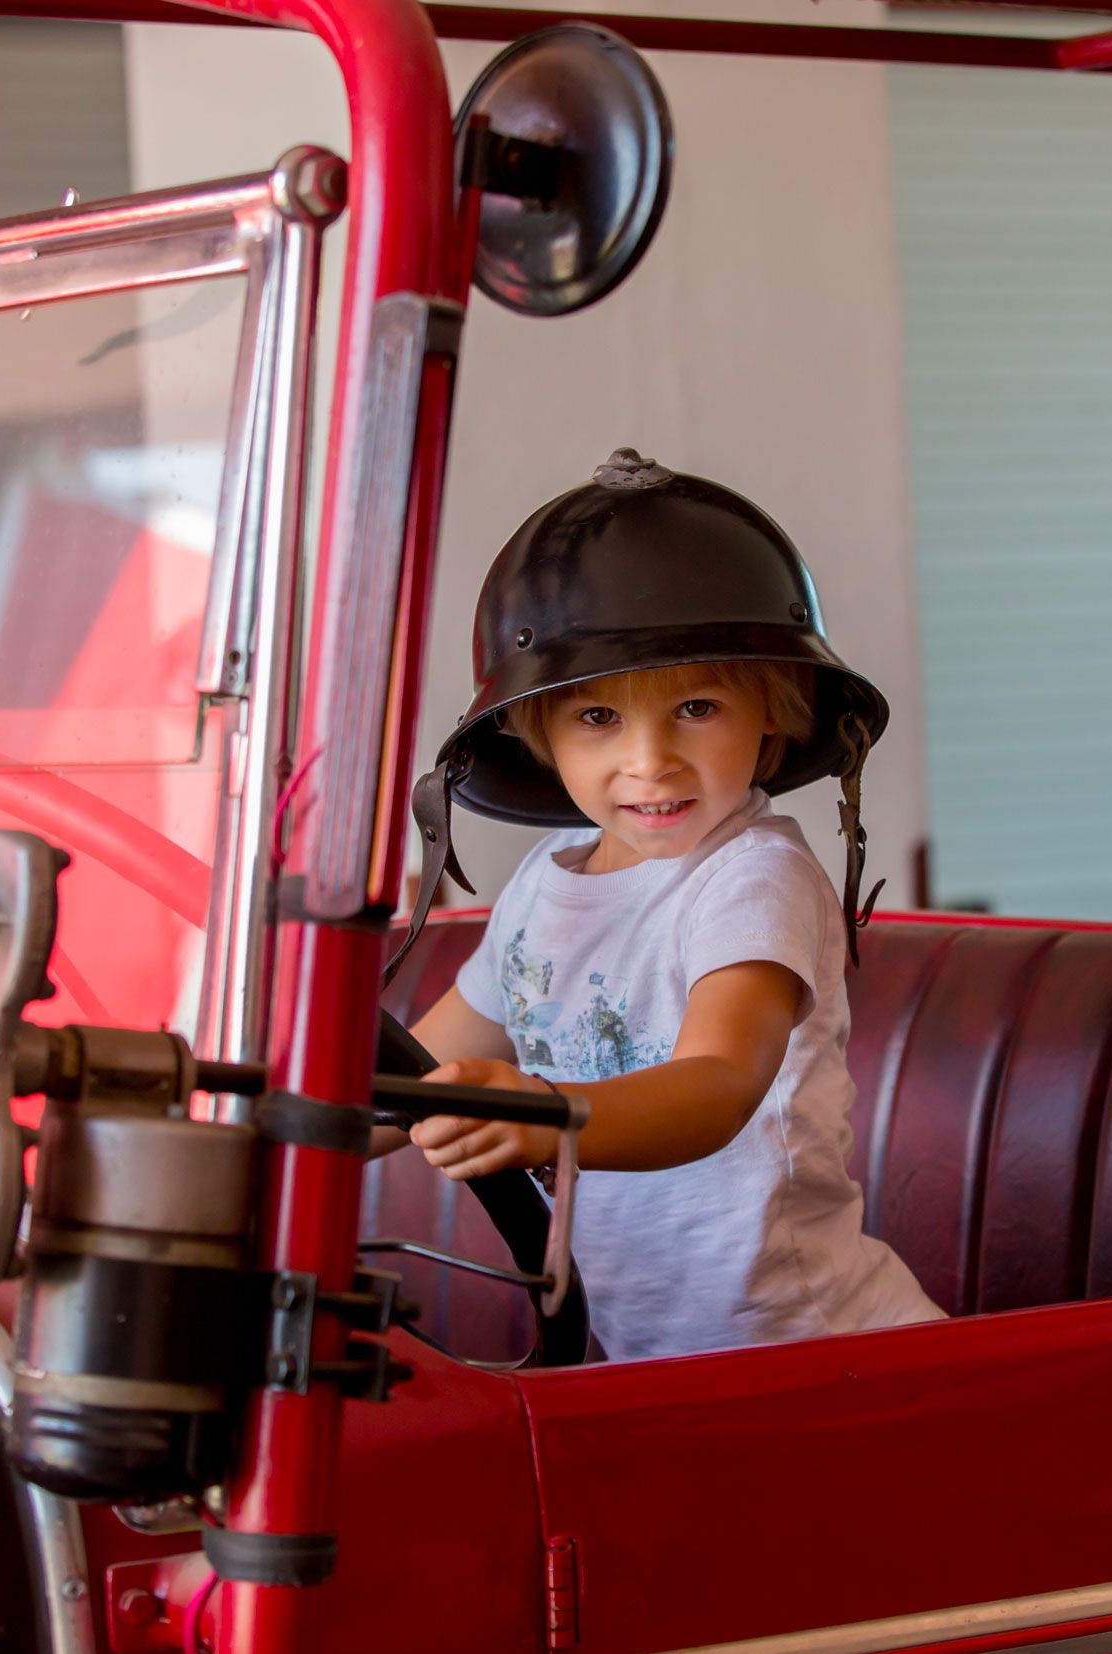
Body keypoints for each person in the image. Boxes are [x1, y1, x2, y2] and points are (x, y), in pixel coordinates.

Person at [377, 450, 943, 1361]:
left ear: (773, 713)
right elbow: (409, 1081)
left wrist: (546, 1110)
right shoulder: (540, 887)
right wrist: (271, 1132)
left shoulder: (753, 876)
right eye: (599, 718)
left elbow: (717, 1081)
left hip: (810, 1354)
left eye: (696, 706)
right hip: (644, 1356)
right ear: (539, 731)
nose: (650, 761)